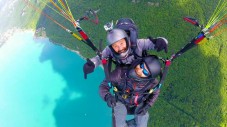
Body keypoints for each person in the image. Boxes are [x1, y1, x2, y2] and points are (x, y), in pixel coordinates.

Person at [83, 18, 168, 79]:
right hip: (124, 71)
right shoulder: (110, 50)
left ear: (127, 40)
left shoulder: (139, 43)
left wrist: (161, 41)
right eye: (115, 45)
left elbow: (152, 43)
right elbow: (99, 58)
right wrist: (92, 64)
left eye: (121, 43)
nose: (120, 48)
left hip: (141, 67)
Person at [99, 55, 161, 127]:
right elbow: (104, 85)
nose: (140, 70)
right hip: (120, 102)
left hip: (138, 104)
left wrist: (148, 105)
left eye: (145, 72)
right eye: (141, 66)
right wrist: (108, 96)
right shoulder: (120, 73)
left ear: (149, 76)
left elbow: (155, 92)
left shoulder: (152, 82)